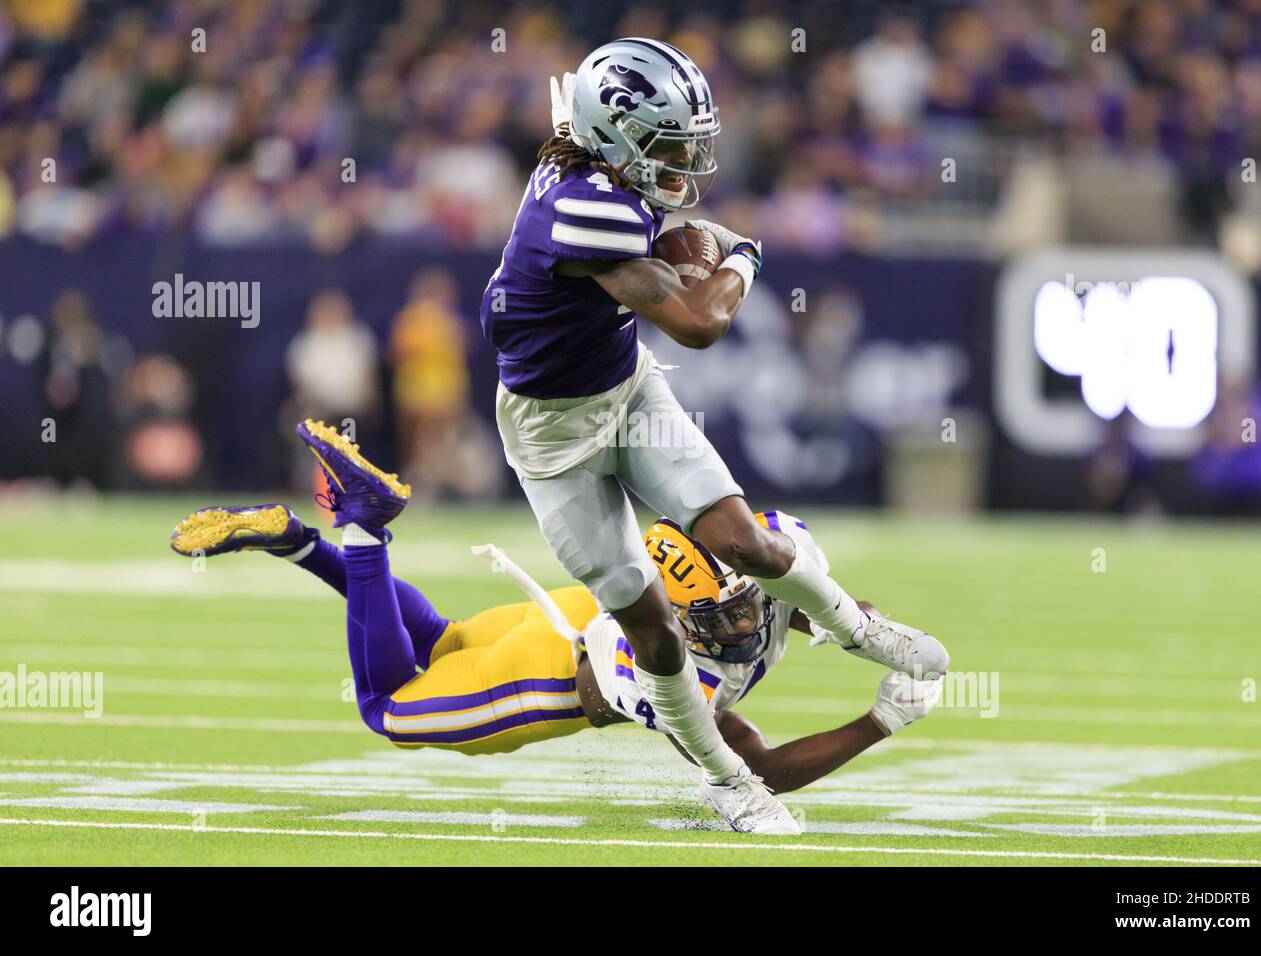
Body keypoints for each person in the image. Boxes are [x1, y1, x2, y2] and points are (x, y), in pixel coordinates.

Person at [477, 38, 948, 833]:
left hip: (625, 392)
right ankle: (730, 785)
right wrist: (744, 257)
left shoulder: (596, 167)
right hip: (554, 443)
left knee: (746, 542)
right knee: (655, 636)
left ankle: (860, 633)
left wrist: (693, 245)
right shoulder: (588, 207)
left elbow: (644, 235)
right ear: (615, 137)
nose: (683, 160)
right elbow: (698, 325)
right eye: (664, 142)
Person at [169, 423, 944, 828]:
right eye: (720, 612)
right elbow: (757, 771)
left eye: (747, 601)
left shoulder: (754, 574)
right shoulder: (671, 664)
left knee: (436, 640)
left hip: (566, 617)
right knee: (387, 710)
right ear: (677, 610)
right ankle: (363, 528)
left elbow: (841, 610)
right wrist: (877, 721)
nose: (743, 620)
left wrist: (874, 633)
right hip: (545, 678)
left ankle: (299, 542)